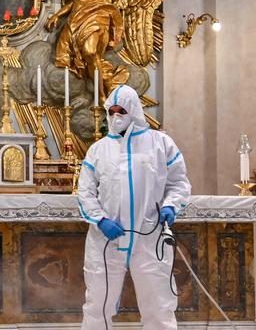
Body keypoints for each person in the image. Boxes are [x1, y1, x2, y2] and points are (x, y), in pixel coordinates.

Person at [78, 85, 191, 330]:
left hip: (149, 238)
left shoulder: (161, 144)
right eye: (112, 112)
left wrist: (171, 206)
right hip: (107, 241)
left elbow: (178, 182)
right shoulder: (98, 150)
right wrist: (100, 220)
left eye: (122, 111)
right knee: (98, 304)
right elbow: (85, 192)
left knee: (158, 305)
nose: (116, 117)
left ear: (135, 111)